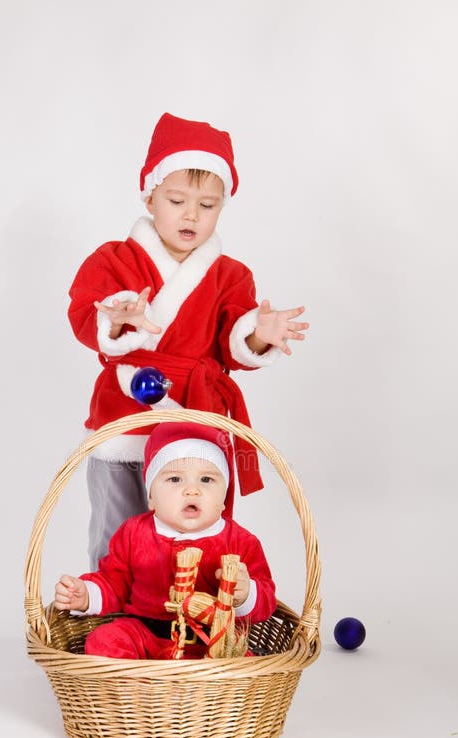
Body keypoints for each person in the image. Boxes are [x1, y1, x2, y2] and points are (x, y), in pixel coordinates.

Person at [68, 112, 308, 567]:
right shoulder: (113, 260)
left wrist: (258, 333)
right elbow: (87, 315)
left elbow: (233, 342)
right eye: (177, 200)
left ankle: (187, 619)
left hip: (193, 422)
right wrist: (118, 319)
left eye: (208, 205)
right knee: (117, 531)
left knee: (191, 533)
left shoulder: (231, 275)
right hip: (126, 413)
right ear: (150, 195)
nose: (191, 215)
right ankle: (109, 609)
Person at [53, 423, 278, 660]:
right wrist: (86, 595)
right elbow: (114, 582)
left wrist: (246, 594)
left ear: (224, 498)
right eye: (174, 479)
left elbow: (266, 599)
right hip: (145, 634)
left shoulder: (240, 541)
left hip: (212, 642)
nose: (192, 490)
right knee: (104, 641)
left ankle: (202, 689)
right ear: (151, 497)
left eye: (206, 480)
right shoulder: (134, 532)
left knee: (245, 664)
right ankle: (143, 689)